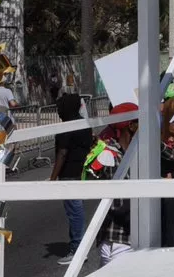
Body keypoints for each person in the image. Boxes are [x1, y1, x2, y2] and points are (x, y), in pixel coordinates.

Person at [83, 103, 138, 265]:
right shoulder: (110, 155)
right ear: (132, 126)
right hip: (120, 240)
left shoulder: (133, 153)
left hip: (124, 238)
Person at [50, 93, 93, 265]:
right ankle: (77, 246)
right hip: (80, 171)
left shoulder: (68, 127)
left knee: (74, 212)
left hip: (69, 173)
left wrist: (53, 178)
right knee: (76, 211)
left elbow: (62, 153)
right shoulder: (84, 124)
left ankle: (78, 250)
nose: (58, 112)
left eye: (60, 108)